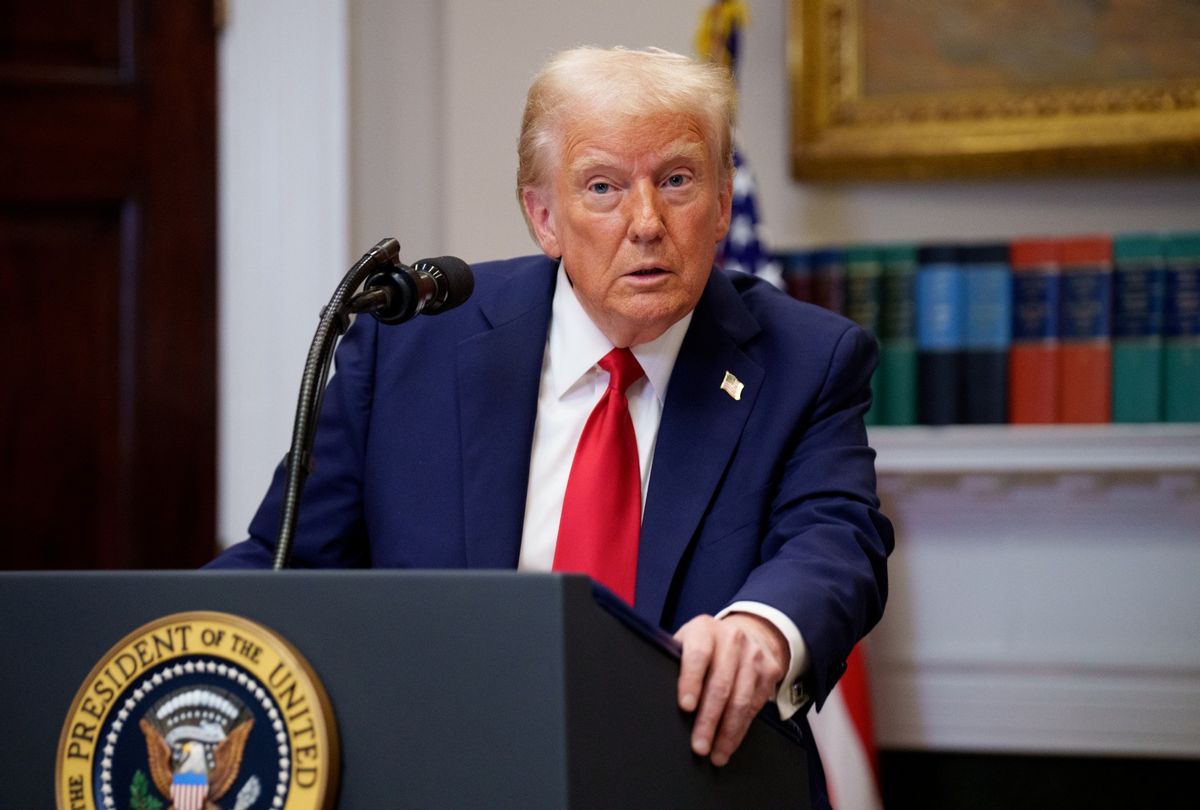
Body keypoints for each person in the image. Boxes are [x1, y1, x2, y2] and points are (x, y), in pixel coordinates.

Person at [211, 46, 893, 807]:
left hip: (698, 783)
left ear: (724, 199)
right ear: (544, 216)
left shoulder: (806, 360)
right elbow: (287, 568)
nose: (646, 223)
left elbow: (836, 541)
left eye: (677, 180)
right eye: (603, 187)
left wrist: (763, 630)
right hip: (447, 780)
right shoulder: (408, 350)